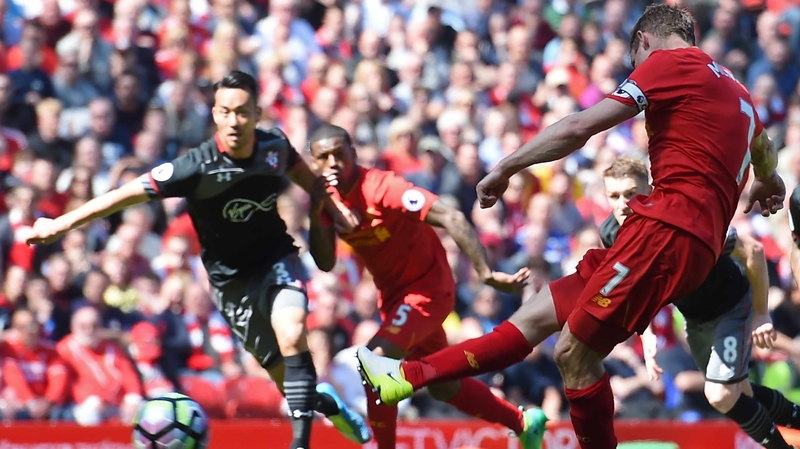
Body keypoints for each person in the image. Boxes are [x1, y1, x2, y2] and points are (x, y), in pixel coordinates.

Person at [358, 120, 786, 448]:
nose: (624, 204)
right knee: (534, 322)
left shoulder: (675, 222)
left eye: (632, 193)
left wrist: (763, 311)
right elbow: (648, 291)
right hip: (690, 314)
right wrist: (649, 334)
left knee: (722, 394)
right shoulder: (611, 234)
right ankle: (408, 375)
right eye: (615, 196)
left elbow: (748, 252)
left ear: (651, 189)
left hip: (726, 307)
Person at [23, 70, 370, 449]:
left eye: (242, 111)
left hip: (276, 259)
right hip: (230, 284)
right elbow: (124, 195)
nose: (234, 121)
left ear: (257, 113)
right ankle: (327, 402)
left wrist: (336, 211)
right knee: (292, 385)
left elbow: (309, 182)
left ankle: (300, 444)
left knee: (292, 331)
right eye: (225, 111)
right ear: (215, 114)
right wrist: (61, 223)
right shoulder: (196, 167)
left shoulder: (276, 148)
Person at [306, 124, 546, 449]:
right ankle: (523, 422)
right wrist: (316, 209)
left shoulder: (382, 188)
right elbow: (324, 262)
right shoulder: (327, 202)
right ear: (315, 165)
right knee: (443, 386)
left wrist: (486, 274)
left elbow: (453, 217)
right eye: (324, 157)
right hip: (395, 300)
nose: (333, 162)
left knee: (376, 361)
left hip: (429, 290)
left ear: (353, 153)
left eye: (339, 153)